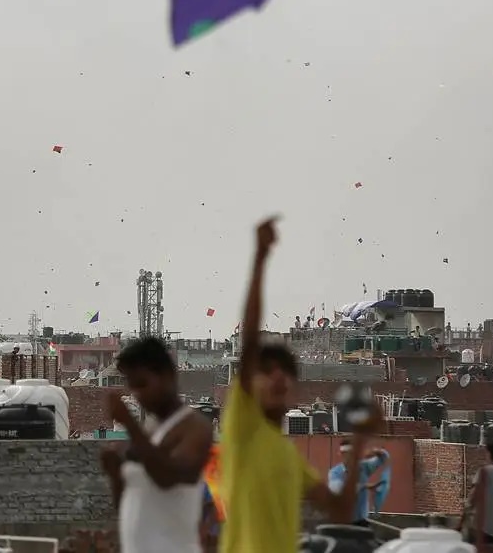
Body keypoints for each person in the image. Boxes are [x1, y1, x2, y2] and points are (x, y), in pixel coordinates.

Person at [220, 217, 366, 553]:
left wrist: (358, 442)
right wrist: (259, 258)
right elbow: (250, 338)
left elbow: (342, 510)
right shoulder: (243, 429)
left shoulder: (288, 455)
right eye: (266, 370)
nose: (277, 377)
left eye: (285, 371)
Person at [100, 336, 214, 553]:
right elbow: (133, 503)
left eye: (142, 384)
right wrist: (115, 475)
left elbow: (167, 477)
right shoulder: (150, 429)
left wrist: (130, 426)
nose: (138, 395)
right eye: (132, 387)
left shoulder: (194, 428)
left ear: (168, 376)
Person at [460, 435, 493, 544]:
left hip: (477, 533)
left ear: (489, 454)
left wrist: (460, 524)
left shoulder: (484, 472)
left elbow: (471, 501)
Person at [328, 441, 392, 523]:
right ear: (341, 454)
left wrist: (377, 452)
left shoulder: (363, 467)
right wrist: (364, 486)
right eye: (346, 454)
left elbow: (383, 458)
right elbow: (339, 490)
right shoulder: (335, 473)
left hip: (362, 520)